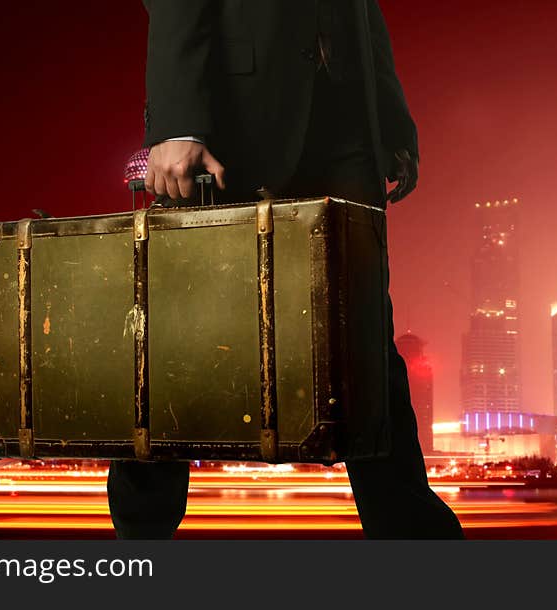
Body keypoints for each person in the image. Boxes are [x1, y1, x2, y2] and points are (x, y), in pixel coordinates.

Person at [107, 0, 465, 540]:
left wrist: (390, 123)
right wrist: (178, 120)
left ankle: (416, 543)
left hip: (346, 130)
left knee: (365, 343)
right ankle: (139, 541)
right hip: (233, 125)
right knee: (178, 339)